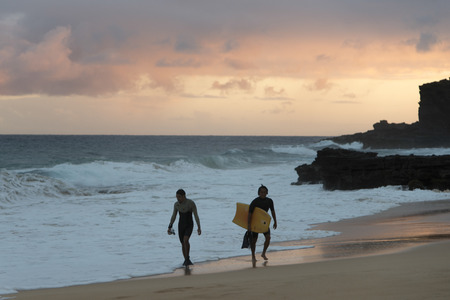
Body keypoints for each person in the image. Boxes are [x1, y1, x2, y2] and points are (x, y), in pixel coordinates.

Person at [168, 189, 201, 266]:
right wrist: (170, 226)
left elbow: (196, 215)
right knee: (183, 243)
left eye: (179, 197)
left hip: (189, 224)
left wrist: (199, 227)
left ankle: (187, 258)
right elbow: (174, 216)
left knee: (185, 240)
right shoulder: (176, 204)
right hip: (181, 225)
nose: (178, 199)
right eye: (176, 197)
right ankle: (186, 260)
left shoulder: (190, 203)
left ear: (184, 196)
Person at [248, 185, 277, 265]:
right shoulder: (255, 201)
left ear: (267, 193)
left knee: (268, 237)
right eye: (261, 192)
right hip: (255, 223)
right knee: (254, 240)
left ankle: (263, 253)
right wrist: (249, 225)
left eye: (264, 192)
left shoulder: (269, 201)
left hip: (264, 223)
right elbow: (249, 213)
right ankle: (253, 256)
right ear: (258, 193)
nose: (263, 193)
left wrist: (275, 221)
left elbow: (273, 211)